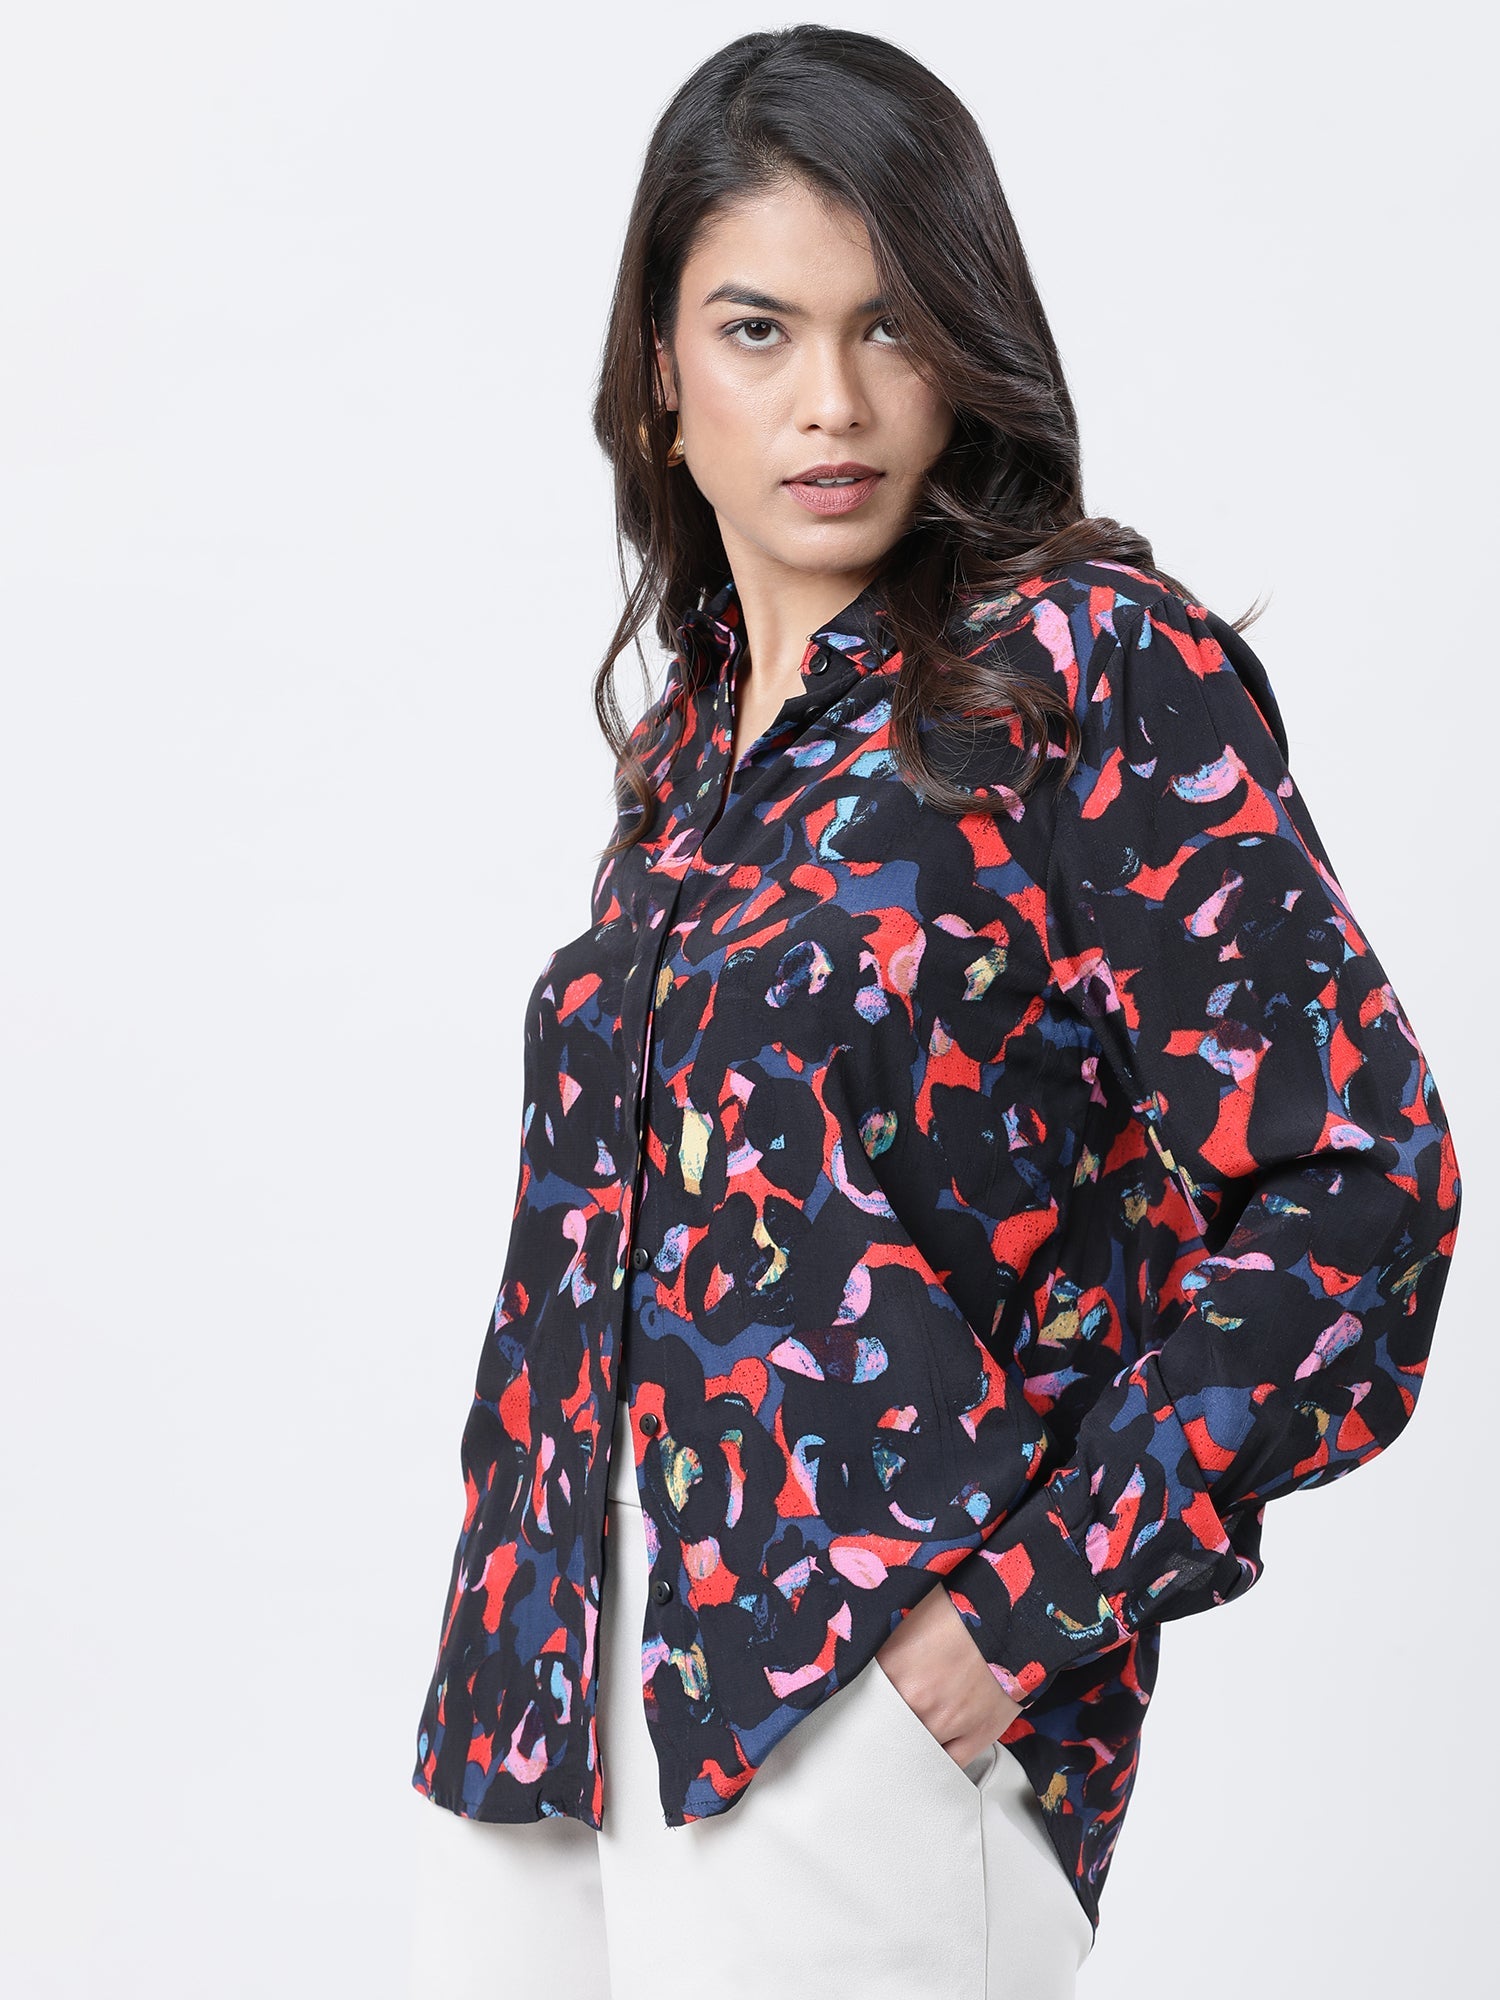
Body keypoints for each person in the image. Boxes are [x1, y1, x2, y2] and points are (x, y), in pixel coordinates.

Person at [406, 25, 1462, 1999]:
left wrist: (1015, 1616)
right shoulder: (690, 759)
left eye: (889, 326)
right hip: (539, 1703)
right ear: (661, 371)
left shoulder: (1083, 670)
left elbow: (1367, 1187)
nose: (833, 401)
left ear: (966, 345)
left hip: (843, 1721)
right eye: (758, 331)